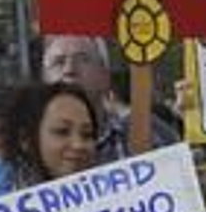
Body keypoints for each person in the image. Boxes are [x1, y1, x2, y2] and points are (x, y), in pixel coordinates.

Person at [40, 34, 175, 161]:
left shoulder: (152, 133)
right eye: (58, 62)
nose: (69, 70)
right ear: (44, 80)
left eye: (82, 59)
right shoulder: (28, 149)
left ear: (104, 77)